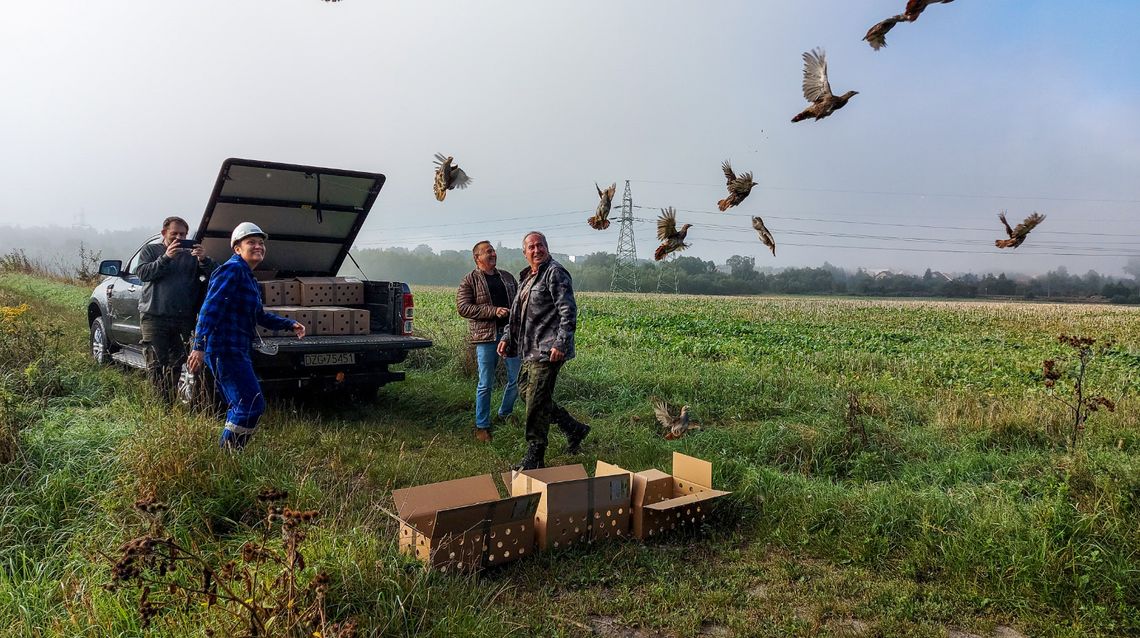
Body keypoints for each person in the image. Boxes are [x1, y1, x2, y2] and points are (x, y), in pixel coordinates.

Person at [187, 222, 305, 450]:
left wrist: (290, 324)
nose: (258, 246)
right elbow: (210, 309)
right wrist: (198, 346)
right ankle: (229, 453)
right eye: (251, 242)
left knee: (241, 404)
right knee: (250, 405)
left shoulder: (248, 277)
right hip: (224, 349)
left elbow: (258, 316)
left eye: (261, 243)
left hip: (238, 350)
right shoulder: (231, 270)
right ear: (237, 248)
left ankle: (229, 455)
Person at [498, 231, 590, 470]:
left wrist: (561, 343)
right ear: (525, 252)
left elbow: (568, 312)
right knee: (526, 394)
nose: (536, 250)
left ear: (547, 248)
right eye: (531, 247)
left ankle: (535, 455)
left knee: (536, 400)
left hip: (549, 349)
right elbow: (517, 313)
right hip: (529, 349)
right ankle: (574, 428)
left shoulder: (555, 273)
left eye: (540, 245)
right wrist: (508, 336)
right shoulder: (527, 277)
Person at [135, 216, 217, 403]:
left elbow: (216, 276)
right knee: (156, 363)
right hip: (154, 316)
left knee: (177, 364)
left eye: (183, 234)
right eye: (174, 234)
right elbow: (143, 273)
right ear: (164, 233)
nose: (179, 238)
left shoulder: (192, 255)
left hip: (183, 318)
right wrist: (166, 258)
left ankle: (170, 401)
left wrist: (204, 260)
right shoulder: (151, 250)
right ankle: (160, 406)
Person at [457, 240, 521, 443]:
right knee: (486, 383)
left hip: (510, 335)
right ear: (477, 258)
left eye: (493, 251)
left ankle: (505, 413)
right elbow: (463, 308)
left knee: (517, 378)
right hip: (486, 338)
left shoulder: (508, 278)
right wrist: (493, 311)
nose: (493, 254)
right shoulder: (469, 280)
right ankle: (482, 426)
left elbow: (520, 301)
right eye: (488, 252)